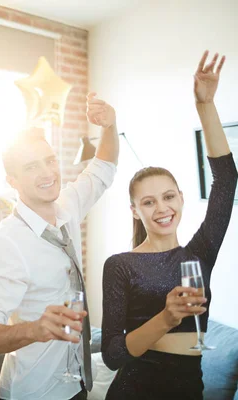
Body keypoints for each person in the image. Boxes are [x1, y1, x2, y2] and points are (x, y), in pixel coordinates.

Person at [101, 51, 236, 400]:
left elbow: (226, 179)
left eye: (168, 197)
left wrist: (205, 105)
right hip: (136, 390)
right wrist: (166, 316)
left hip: (190, 389)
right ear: (135, 211)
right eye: (148, 202)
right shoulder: (120, 265)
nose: (162, 208)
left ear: (180, 198)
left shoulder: (200, 252)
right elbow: (113, 355)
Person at [0, 93, 119, 400]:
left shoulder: (67, 206)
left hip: (76, 382)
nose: (48, 173)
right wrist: (34, 329)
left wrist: (110, 125)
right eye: (32, 167)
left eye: (50, 161)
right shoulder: (5, 243)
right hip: (35, 392)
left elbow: (103, 168)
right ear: (12, 180)